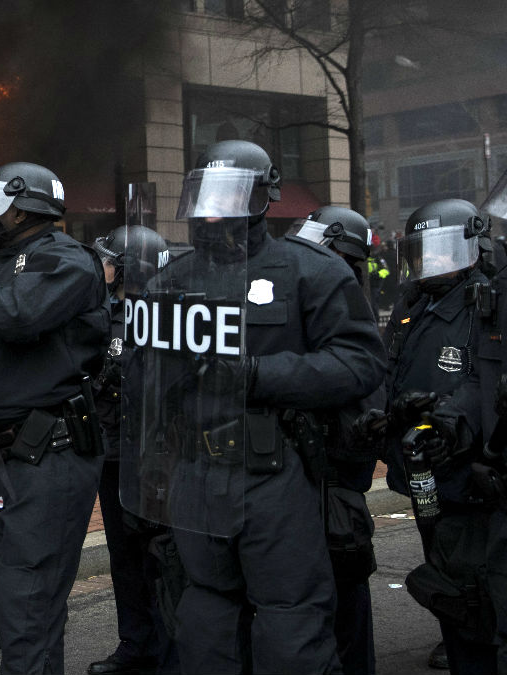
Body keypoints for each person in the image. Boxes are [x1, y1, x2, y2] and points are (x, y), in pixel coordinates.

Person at [148, 141, 386, 674]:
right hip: (195, 470)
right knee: (205, 614)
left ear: (264, 196)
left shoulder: (309, 271)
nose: (213, 210)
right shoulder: (172, 280)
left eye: (228, 195)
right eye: (204, 196)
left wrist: (260, 375)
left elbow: (360, 363)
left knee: (290, 619)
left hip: (275, 470)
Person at [0, 161, 110, 674]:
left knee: (31, 606)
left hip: (47, 455)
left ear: (20, 207)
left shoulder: (68, 262)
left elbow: (19, 313)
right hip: (0, 454)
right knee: (14, 603)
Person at [380, 198, 499, 674]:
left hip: (464, 463)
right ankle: (454, 630)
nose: (434, 260)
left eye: (445, 249)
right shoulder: (414, 302)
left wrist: (450, 422)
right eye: (424, 250)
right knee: (439, 558)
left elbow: (482, 382)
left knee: (469, 565)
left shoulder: (484, 299)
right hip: (421, 465)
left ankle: (473, 639)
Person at [290, 205, 383, 675]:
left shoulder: (346, 302)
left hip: (334, 480)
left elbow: (366, 400)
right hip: (300, 477)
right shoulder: (306, 295)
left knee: (344, 597)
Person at [86, 226, 172, 675]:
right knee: (124, 560)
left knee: (158, 559)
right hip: (113, 457)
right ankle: (135, 646)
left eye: (107, 261)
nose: (99, 268)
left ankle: (166, 651)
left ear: (127, 269)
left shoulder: (165, 318)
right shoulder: (104, 313)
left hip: (153, 459)